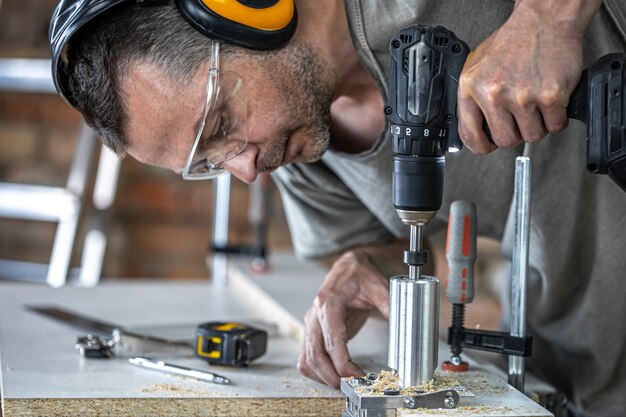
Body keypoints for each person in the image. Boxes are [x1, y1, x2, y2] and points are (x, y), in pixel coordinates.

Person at [50, 0, 626, 416]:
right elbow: (429, 257)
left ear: (249, 9)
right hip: (589, 379)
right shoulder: (300, 149)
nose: (247, 170)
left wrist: (548, 19)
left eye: (221, 124)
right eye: (210, 163)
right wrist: (368, 260)